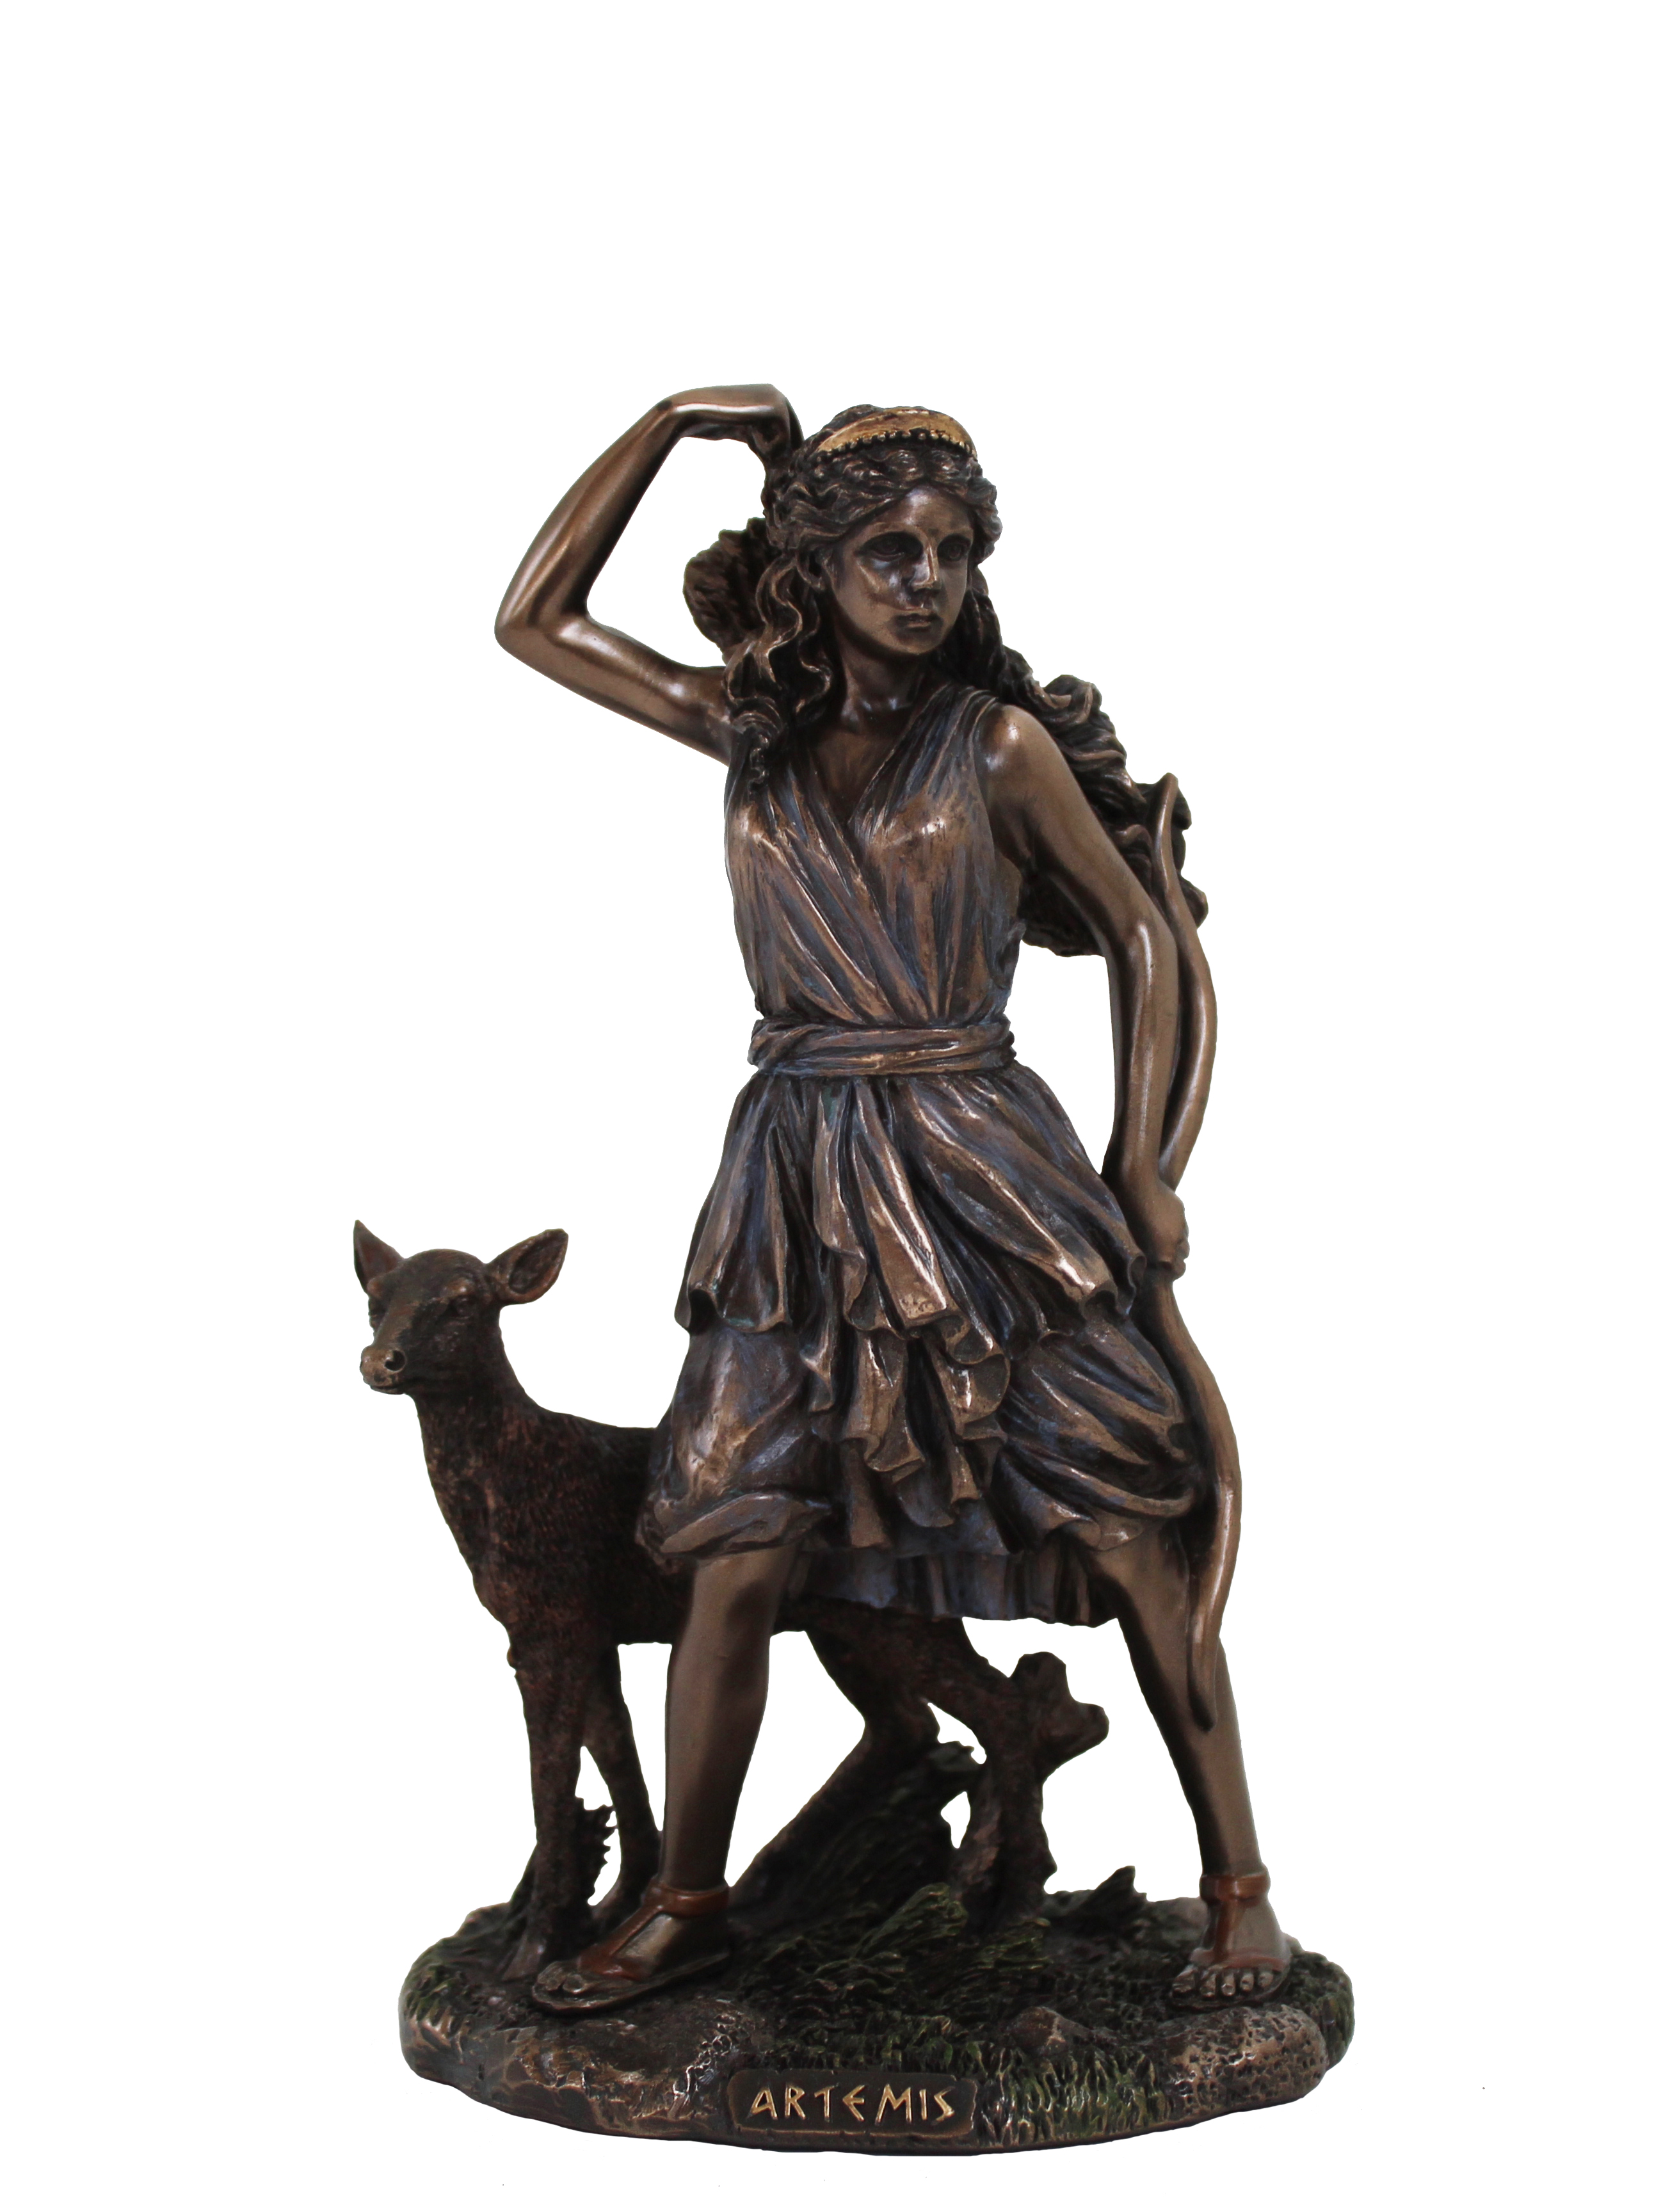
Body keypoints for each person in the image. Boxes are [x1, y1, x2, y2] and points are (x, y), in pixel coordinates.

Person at [492, 390, 1287, 2009]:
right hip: (795, 1184)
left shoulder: (993, 746)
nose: (925, 582)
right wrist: (674, 424)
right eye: (887, 553)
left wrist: (1147, 1158)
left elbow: (1145, 934)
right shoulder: (751, 733)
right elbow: (535, 620)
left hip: (986, 1177)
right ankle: (689, 1902)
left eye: (951, 553)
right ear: (818, 568)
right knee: (732, 1537)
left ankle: (1240, 1892)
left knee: (1131, 1526)